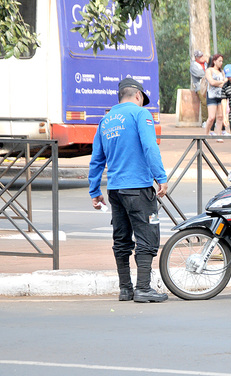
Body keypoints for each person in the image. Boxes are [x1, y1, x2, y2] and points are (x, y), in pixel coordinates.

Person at [88, 78, 169, 303]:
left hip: (115, 190)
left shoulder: (105, 121)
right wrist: (160, 177)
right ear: (138, 96)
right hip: (138, 188)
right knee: (147, 237)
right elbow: (150, 146)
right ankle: (143, 288)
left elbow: (96, 160)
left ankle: (126, 289)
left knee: (122, 239)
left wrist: (94, 190)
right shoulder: (140, 114)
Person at [205, 53, 228, 142]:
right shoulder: (209, 70)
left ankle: (218, 135)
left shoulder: (222, 72)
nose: (221, 63)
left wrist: (220, 82)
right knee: (211, 117)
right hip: (211, 95)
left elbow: (225, 82)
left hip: (221, 95)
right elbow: (212, 82)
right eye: (219, 61)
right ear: (214, 61)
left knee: (220, 116)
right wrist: (221, 82)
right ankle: (206, 134)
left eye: (222, 61)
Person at [190, 50, 208, 127]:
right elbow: (200, 74)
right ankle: (205, 121)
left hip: (209, 86)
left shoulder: (206, 64)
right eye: (199, 56)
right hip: (200, 87)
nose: (201, 58)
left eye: (202, 56)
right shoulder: (193, 65)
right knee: (204, 102)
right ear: (196, 57)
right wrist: (209, 72)